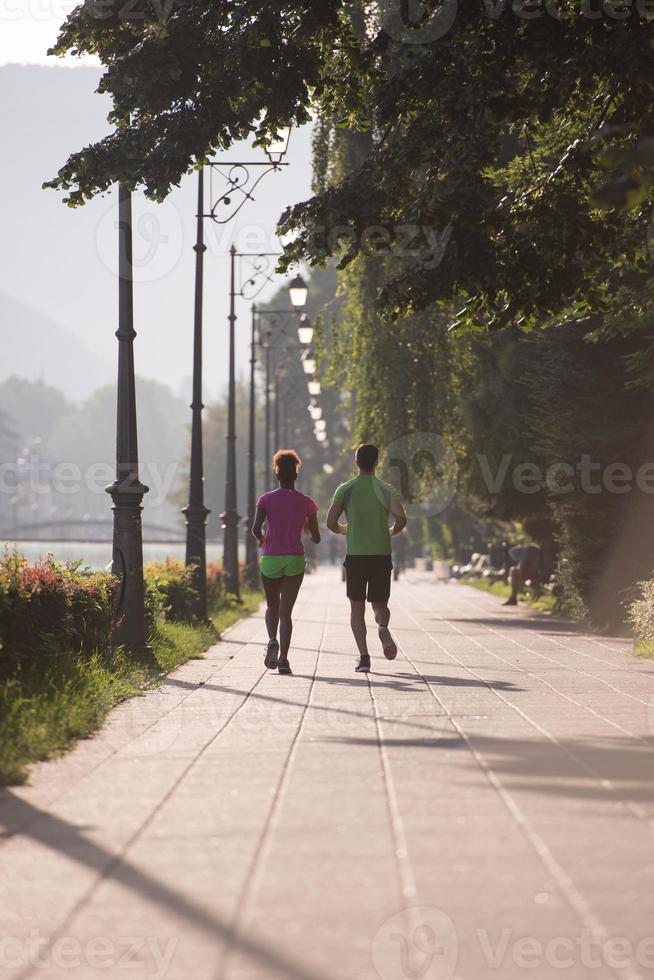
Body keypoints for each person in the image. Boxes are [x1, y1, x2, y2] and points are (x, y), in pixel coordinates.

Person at [326, 443, 407, 672]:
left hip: (356, 556)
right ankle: (382, 626)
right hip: (381, 554)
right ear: (376, 462)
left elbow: (331, 523)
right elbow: (401, 518)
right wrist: (390, 531)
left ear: (356, 462)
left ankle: (364, 658)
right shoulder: (386, 489)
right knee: (380, 604)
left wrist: (346, 529)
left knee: (357, 607)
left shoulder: (345, 489)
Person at [252, 450, 320, 674]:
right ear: (296, 476)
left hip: (271, 557)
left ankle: (272, 639)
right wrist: (305, 528)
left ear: (277, 475)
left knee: (272, 605)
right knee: (286, 612)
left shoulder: (265, 499)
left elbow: (255, 529)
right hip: (294, 559)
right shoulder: (307, 502)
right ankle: (283, 660)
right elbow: (316, 537)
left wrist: (263, 540)